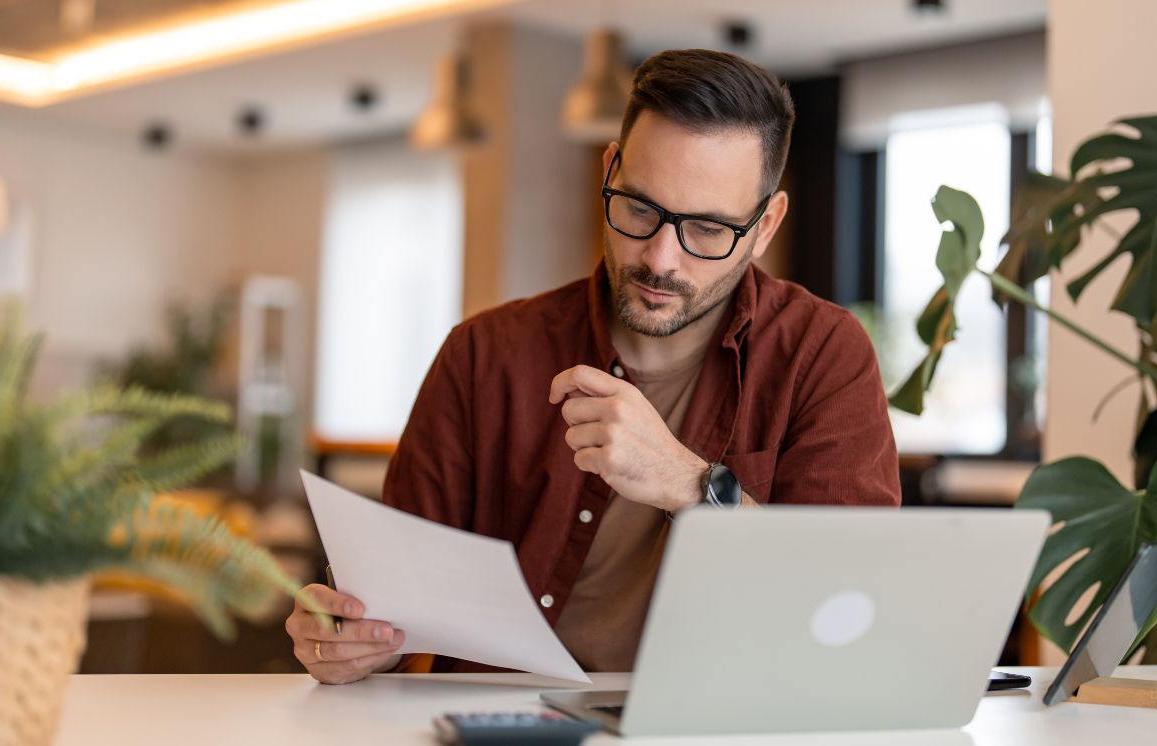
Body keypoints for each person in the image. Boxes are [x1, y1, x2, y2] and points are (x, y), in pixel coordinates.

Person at [285, 49, 901, 685]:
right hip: (500, 722)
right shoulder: (483, 355)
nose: (662, 259)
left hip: (714, 722)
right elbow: (394, 600)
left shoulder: (823, 354)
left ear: (765, 224)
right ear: (610, 170)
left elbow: (848, 605)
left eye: (709, 229)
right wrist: (355, 640)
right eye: (639, 208)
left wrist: (689, 485)